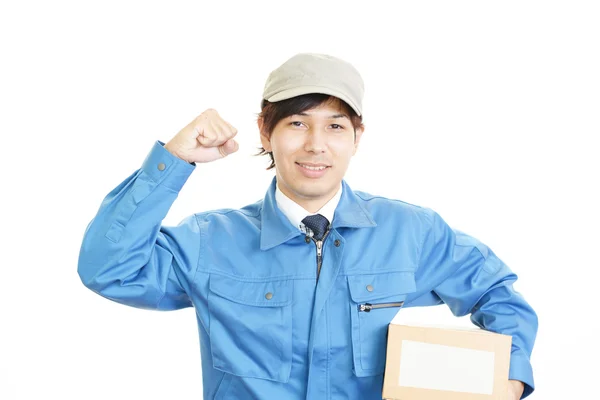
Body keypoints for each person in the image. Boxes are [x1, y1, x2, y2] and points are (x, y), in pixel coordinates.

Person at [78, 53, 537, 399]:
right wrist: (174, 160)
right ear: (265, 131)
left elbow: (494, 291)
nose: (316, 145)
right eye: (297, 122)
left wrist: (509, 377)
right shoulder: (209, 241)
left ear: (358, 137)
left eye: (335, 126)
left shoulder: (410, 231)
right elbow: (109, 269)